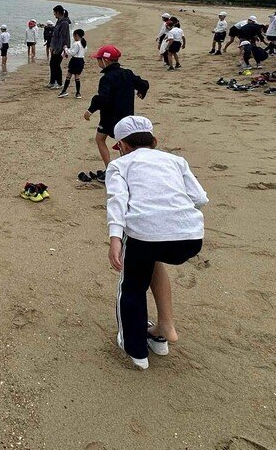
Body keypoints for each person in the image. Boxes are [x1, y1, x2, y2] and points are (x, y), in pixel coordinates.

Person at [104, 116, 207, 370]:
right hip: (190, 237)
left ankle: (135, 349)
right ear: (154, 141)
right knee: (152, 261)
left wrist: (115, 238)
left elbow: (117, 200)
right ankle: (163, 331)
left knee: (132, 286)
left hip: (146, 235)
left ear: (122, 146)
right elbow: (200, 197)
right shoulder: (175, 160)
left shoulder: (119, 166)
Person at [84, 45, 149, 165]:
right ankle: (127, 167)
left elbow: (102, 98)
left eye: (99, 59)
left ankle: (109, 167)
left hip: (109, 118)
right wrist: (141, 91)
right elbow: (143, 83)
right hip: (126, 116)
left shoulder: (106, 78)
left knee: (100, 139)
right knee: (123, 142)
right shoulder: (127, 73)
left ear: (106, 60)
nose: (98, 61)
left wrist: (90, 110)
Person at [59, 28, 88, 98]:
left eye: (74, 36)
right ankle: (78, 93)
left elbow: (71, 53)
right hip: (81, 60)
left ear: (77, 35)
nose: (74, 37)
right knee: (77, 77)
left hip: (75, 60)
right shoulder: (84, 43)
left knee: (69, 75)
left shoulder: (76, 43)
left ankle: (64, 91)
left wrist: (65, 48)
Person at [48, 6, 71, 88]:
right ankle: (52, 82)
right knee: (52, 64)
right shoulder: (59, 21)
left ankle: (59, 83)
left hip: (61, 48)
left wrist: (57, 49)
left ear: (58, 12)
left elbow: (62, 37)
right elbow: (54, 36)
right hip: (55, 47)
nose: (54, 14)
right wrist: (51, 46)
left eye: (54, 12)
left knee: (56, 65)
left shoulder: (64, 23)